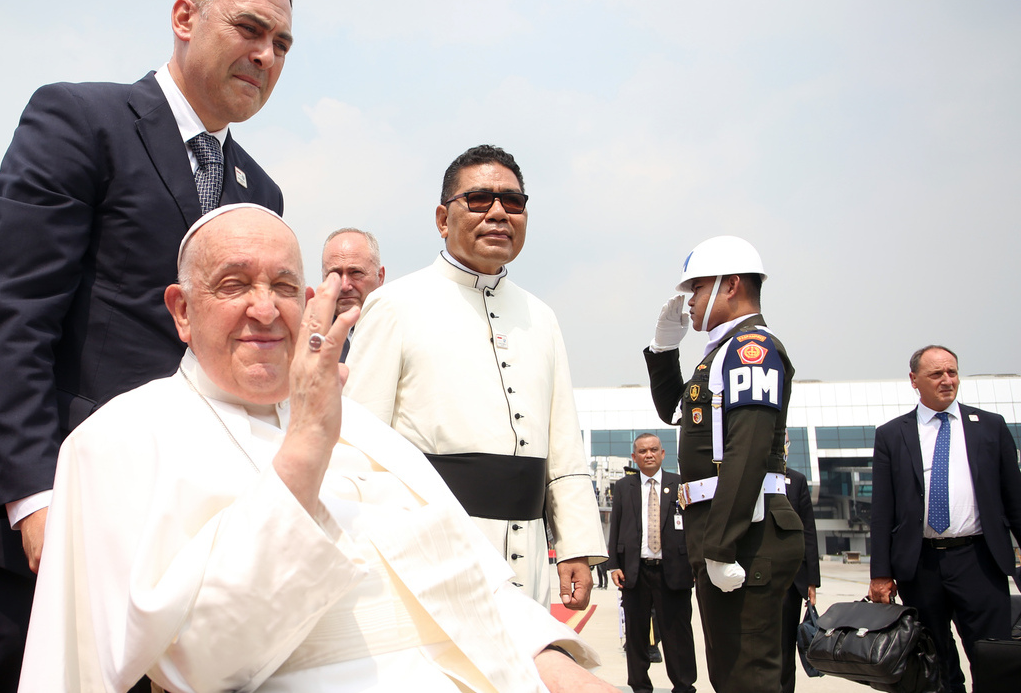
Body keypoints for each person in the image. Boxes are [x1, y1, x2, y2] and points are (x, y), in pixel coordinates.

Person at [16, 203, 617, 692]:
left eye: (282, 286)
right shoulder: (117, 441)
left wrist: (554, 669)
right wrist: (304, 447)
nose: (264, 307)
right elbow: (199, 661)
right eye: (233, 285)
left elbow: (469, 579)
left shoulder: (365, 430)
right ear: (182, 311)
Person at [0, 0, 294, 689]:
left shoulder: (261, 194)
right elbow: (14, 314)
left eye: (282, 44)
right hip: (65, 509)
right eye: (249, 29)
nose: (266, 55)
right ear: (185, 17)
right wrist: (36, 500)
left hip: (191, 528)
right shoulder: (80, 120)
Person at [344, 144, 607, 609]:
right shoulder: (395, 305)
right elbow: (361, 445)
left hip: (527, 555)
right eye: (481, 200)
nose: (500, 213)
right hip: (429, 554)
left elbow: (564, 442)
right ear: (443, 219)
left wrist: (576, 544)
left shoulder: (541, 317)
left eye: (514, 202)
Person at [643, 235, 804, 693]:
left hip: (747, 535)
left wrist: (720, 546)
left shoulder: (750, 349)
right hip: (730, 532)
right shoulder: (719, 354)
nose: (688, 301)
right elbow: (675, 410)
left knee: (746, 677)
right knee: (730, 672)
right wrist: (663, 349)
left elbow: (747, 452)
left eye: (695, 288)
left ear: (730, 285)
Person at [869, 345, 1021, 693]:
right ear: (914, 380)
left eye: (952, 372)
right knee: (933, 665)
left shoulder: (990, 428)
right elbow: (882, 511)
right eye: (937, 374)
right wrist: (880, 573)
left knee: (994, 659)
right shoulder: (892, 435)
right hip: (920, 566)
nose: (947, 380)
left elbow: (1015, 501)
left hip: (980, 561)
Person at [606, 434, 697, 693]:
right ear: (634, 458)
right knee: (636, 635)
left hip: (674, 571)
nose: (649, 455)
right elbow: (616, 526)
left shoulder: (679, 484)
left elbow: (693, 526)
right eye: (643, 451)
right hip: (635, 572)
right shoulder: (625, 487)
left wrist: (694, 565)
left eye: (654, 450)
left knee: (677, 634)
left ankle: (684, 685)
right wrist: (614, 564)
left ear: (663, 453)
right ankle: (640, 686)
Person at [319, 228, 385, 361]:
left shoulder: (403, 331)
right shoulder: (308, 340)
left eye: (355, 273)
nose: (344, 285)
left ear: (380, 277)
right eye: (335, 274)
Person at [780, 466, 818, 693]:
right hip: (755, 578)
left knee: (786, 647)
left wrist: (812, 580)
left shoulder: (796, 480)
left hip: (791, 581)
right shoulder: (749, 473)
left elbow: (809, 531)